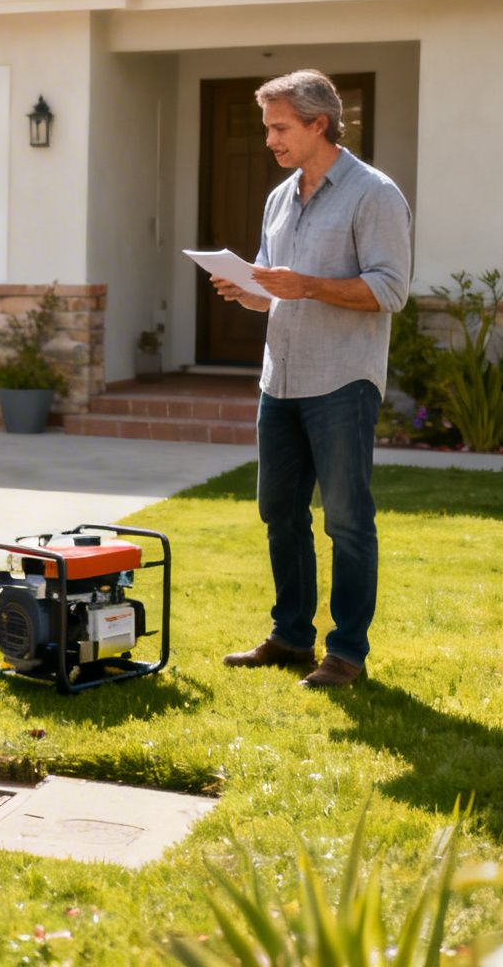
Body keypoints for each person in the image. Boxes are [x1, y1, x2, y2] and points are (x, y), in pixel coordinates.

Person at [211, 70, 412, 690]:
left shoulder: (374, 195)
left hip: (341, 381)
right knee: (280, 512)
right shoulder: (278, 198)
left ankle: (346, 653)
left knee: (347, 519)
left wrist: (306, 285)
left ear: (318, 123)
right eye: (268, 127)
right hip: (281, 381)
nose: (269, 140)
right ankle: (292, 636)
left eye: (279, 128)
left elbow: (390, 290)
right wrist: (247, 291)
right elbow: (279, 292)